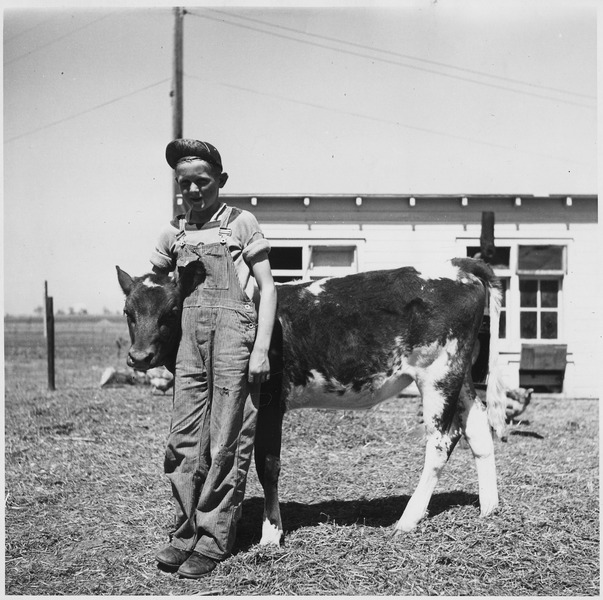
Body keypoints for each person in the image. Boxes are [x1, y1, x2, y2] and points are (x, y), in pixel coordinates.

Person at [149, 139, 277, 579]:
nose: (194, 190)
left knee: (226, 439)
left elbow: (269, 288)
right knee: (182, 442)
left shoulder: (241, 224)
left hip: (233, 341)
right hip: (190, 344)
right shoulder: (173, 234)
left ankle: (213, 539)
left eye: (202, 181)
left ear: (220, 181)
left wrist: (260, 349)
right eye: (185, 183)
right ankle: (184, 532)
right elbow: (155, 289)